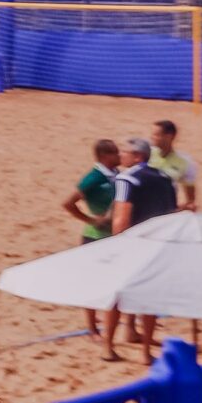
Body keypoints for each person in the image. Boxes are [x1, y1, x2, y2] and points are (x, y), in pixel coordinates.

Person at [102, 137, 181, 361]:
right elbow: (172, 213)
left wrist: (117, 245)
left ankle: (108, 346)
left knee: (116, 296)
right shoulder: (165, 179)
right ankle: (146, 351)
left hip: (134, 243)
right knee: (149, 298)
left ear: (137, 157)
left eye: (125, 152)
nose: (121, 156)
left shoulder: (127, 178)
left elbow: (122, 217)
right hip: (158, 245)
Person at [62, 139, 123, 337]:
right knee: (92, 281)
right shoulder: (94, 177)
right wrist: (90, 220)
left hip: (114, 235)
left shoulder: (116, 174)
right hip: (95, 236)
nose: (120, 156)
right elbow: (68, 203)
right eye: (115, 153)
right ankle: (92, 327)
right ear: (105, 156)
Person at [149, 118, 200, 209]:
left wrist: (183, 207)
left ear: (169, 136)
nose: (152, 137)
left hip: (164, 208)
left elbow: (190, 199)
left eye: (156, 135)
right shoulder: (146, 154)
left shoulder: (185, 162)